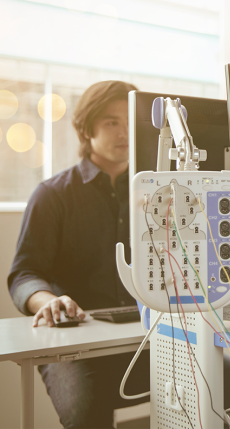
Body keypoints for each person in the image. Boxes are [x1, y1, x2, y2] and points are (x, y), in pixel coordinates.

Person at [7, 80, 150, 428]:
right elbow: (24, 275)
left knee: (227, 384)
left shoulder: (156, 191)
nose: (124, 132)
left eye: (130, 120)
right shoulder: (52, 194)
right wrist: (49, 302)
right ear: (87, 129)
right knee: (86, 412)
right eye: (111, 122)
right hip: (76, 344)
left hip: (145, 335)